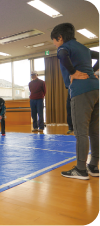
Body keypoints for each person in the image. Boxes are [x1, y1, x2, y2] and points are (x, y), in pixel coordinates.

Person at [51, 22, 100, 180]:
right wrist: (92, 72)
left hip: (81, 91)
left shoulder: (64, 47)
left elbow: (63, 55)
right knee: (95, 131)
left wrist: (73, 72)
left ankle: (80, 169)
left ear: (60, 37)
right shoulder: (84, 48)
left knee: (81, 132)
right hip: (96, 89)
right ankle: (93, 166)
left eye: (54, 40)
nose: (55, 44)